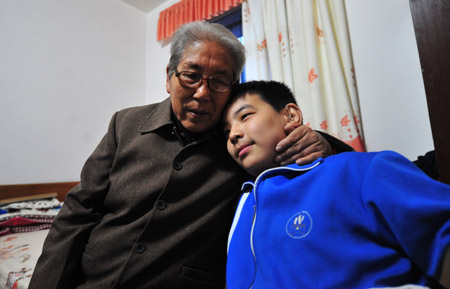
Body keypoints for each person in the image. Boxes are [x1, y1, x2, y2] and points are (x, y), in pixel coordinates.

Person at [28, 22, 352, 289]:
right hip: (95, 279)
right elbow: (77, 213)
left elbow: (329, 165)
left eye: (219, 81)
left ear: (232, 85)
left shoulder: (238, 144)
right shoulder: (124, 124)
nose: (202, 92)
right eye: (191, 75)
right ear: (169, 77)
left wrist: (322, 143)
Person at [223, 80, 450, 289]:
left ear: (291, 115)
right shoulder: (241, 208)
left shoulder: (359, 170)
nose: (233, 134)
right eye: (226, 132)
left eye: (245, 116)